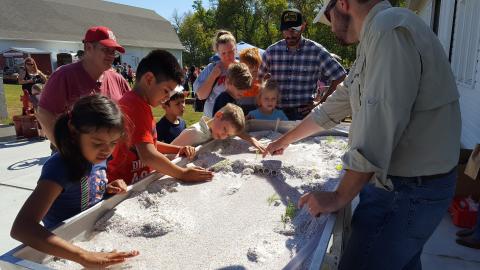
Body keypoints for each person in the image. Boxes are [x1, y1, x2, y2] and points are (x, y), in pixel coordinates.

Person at [265, 0, 461, 269]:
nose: (331, 28)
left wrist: (338, 196)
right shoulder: (375, 38)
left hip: (407, 191)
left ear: (343, 4)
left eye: (329, 18)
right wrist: (284, 140)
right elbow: (335, 105)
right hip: (406, 186)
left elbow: (379, 123)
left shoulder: (388, 29)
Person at [10, 95, 139, 268]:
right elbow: (22, 227)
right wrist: (83, 255)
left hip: (89, 229)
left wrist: (105, 188)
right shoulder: (59, 168)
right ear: (73, 131)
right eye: (97, 142)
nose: (107, 150)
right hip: (63, 245)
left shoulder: (98, 156)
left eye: (113, 142)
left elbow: (81, 190)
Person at [107, 50, 213, 185]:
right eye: (166, 91)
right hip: (125, 185)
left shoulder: (142, 104)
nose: (167, 98)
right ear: (149, 79)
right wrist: (183, 173)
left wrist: (178, 149)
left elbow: (148, 144)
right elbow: (148, 155)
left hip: (138, 180)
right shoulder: (134, 106)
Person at [37, 26, 130, 147]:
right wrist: (65, 148)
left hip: (110, 156)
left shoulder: (118, 79)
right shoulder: (64, 76)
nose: (111, 56)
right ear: (88, 48)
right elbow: (44, 113)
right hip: (75, 156)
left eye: (113, 51)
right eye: (106, 49)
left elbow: (130, 113)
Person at [258, 8, 346, 120]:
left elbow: (340, 77)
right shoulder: (271, 52)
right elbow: (258, 80)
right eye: (286, 29)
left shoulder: (316, 51)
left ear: (303, 26)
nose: (290, 34)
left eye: (295, 29)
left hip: (304, 115)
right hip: (274, 113)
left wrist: (320, 104)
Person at [172, 103, 263, 152]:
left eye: (228, 135)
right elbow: (167, 153)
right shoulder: (194, 133)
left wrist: (251, 139)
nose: (224, 136)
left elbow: (235, 132)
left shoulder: (216, 130)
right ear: (218, 115)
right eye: (225, 130)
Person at [193, 30, 237, 117]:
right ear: (218, 52)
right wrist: (213, 76)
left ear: (236, 49)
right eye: (223, 53)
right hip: (213, 118)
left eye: (231, 51)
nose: (227, 56)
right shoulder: (211, 68)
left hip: (235, 117)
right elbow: (201, 95)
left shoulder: (242, 67)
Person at [238, 47, 262, 114]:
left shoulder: (262, 85)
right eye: (251, 66)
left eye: (257, 66)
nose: (255, 69)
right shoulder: (238, 87)